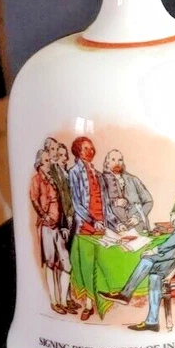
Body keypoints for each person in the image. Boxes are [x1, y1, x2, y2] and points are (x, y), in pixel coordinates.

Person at [100, 162, 175, 332]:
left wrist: (159, 250)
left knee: (150, 260)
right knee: (154, 265)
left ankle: (131, 300)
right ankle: (139, 308)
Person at [30, 148, 75, 315]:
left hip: (58, 227)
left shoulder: (53, 179)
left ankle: (63, 301)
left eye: (50, 160)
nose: (50, 163)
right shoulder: (37, 180)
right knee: (50, 264)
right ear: (39, 164)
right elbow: (34, 199)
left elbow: (61, 204)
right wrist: (44, 216)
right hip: (47, 227)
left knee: (66, 264)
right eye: (47, 161)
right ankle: (55, 302)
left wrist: (63, 225)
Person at [68, 135, 109, 320]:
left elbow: (104, 202)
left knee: (98, 265)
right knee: (86, 265)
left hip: (101, 225)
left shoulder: (97, 173)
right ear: (78, 151)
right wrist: (92, 221)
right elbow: (77, 203)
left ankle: (98, 301)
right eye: (86, 148)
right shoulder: (74, 172)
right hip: (85, 226)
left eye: (92, 148)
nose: (90, 151)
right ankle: (89, 305)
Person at [102, 149, 154, 233]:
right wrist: (114, 202)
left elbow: (149, 201)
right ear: (107, 163)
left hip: (138, 228)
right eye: (113, 159)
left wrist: (137, 217)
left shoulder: (133, 179)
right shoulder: (102, 180)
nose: (117, 163)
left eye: (120, 160)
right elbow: (101, 205)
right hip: (115, 230)